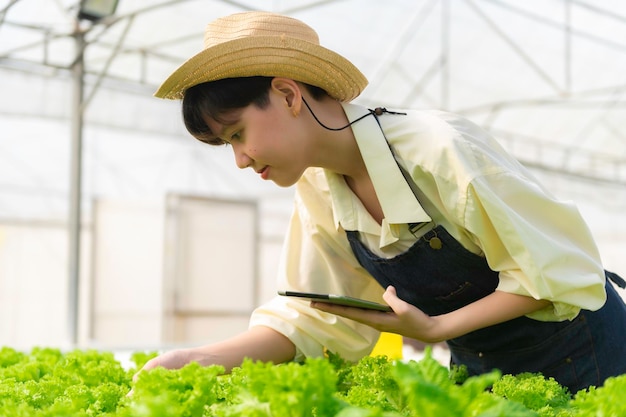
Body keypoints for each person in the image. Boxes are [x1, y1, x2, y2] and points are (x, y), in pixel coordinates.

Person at [141, 10, 626, 393]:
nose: (241, 161)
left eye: (238, 134)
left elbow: (561, 269)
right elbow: (314, 320)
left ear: (288, 94)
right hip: (487, 377)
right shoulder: (318, 190)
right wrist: (193, 361)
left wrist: (437, 328)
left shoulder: (436, 149)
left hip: (589, 360)